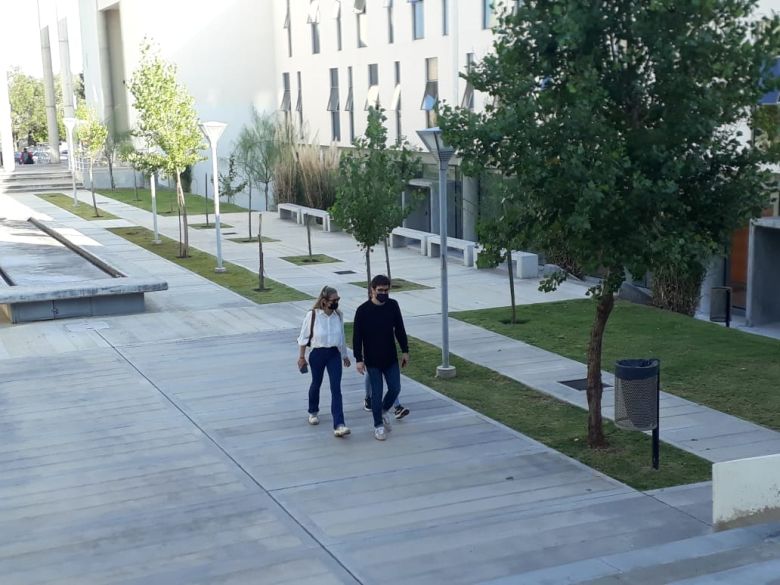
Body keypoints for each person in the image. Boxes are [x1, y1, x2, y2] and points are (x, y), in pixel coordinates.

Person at [353, 275, 409, 441]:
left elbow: (400, 329)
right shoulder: (362, 311)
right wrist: (358, 359)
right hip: (372, 361)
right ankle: (378, 426)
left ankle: (383, 411)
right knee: (376, 394)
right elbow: (357, 337)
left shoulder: (393, 305)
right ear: (372, 290)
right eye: (380, 290)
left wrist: (405, 351)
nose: (384, 293)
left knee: (395, 388)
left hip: (390, 358)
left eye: (386, 290)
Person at [297, 286, 351, 437]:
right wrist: (301, 357)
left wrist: (345, 355)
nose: (336, 303)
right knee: (316, 382)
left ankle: (339, 424)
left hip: (334, 353)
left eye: (338, 300)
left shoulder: (338, 316)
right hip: (317, 353)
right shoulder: (313, 315)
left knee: (336, 388)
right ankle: (313, 411)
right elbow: (303, 337)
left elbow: (342, 337)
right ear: (324, 301)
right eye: (334, 300)